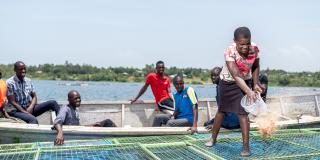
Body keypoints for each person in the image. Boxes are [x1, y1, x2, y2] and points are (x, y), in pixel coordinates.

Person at [205, 27, 262, 157]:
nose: (245, 47)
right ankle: (213, 139)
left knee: (242, 114)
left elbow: (255, 66)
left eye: (247, 43)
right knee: (222, 111)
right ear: (235, 41)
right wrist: (249, 91)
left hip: (245, 81)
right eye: (241, 44)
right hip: (227, 82)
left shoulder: (255, 49)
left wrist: (255, 83)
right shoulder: (230, 51)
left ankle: (246, 148)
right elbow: (236, 74)